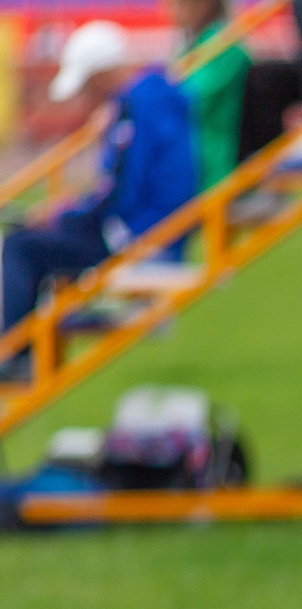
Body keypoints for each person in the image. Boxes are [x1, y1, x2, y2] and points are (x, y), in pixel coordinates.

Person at [1, 21, 196, 378]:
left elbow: (121, 194)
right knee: (35, 245)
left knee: (20, 248)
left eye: (88, 86)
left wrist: (61, 216)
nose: (87, 97)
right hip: (150, 227)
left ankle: (14, 353)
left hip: (138, 233)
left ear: (101, 76)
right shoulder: (151, 99)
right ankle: (22, 348)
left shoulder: (137, 108)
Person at [169, 0, 251, 188]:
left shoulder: (224, 46)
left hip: (211, 171)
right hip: (190, 169)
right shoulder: (190, 47)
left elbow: (185, 100)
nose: (170, 8)